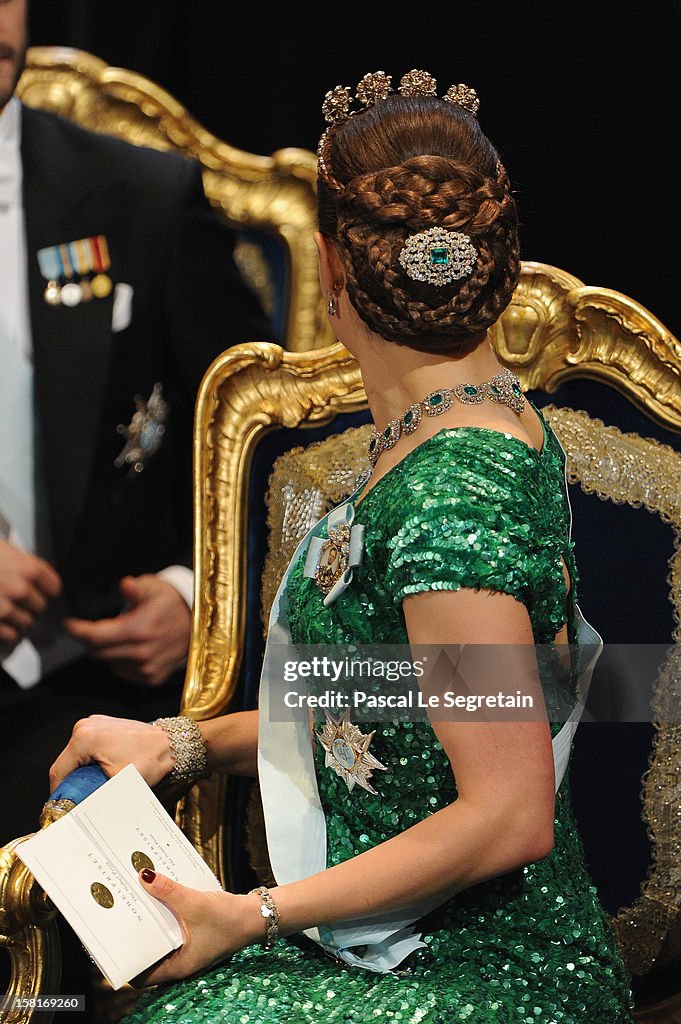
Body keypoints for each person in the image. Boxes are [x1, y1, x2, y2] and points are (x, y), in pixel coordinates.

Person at [51, 70, 634, 1022]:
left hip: (471, 967)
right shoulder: (442, 428)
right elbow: (408, 697)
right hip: (384, 932)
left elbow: (509, 814)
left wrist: (251, 915)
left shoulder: (452, 492)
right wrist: (180, 743)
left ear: (330, 267)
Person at [0, 0, 271, 844]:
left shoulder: (141, 197)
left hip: (76, 691)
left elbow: (266, 437)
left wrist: (199, 596)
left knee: (84, 924)